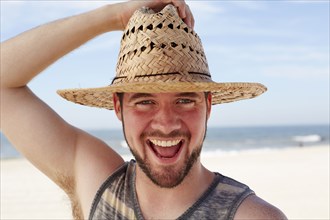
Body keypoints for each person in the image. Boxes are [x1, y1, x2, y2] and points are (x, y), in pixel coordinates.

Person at [1, 1, 287, 219]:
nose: (165, 123)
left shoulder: (250, 216)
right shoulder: (98, 183)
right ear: (118, 107)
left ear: (208, 106)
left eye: (185, 100)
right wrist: (115, 16)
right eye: (145, 102)